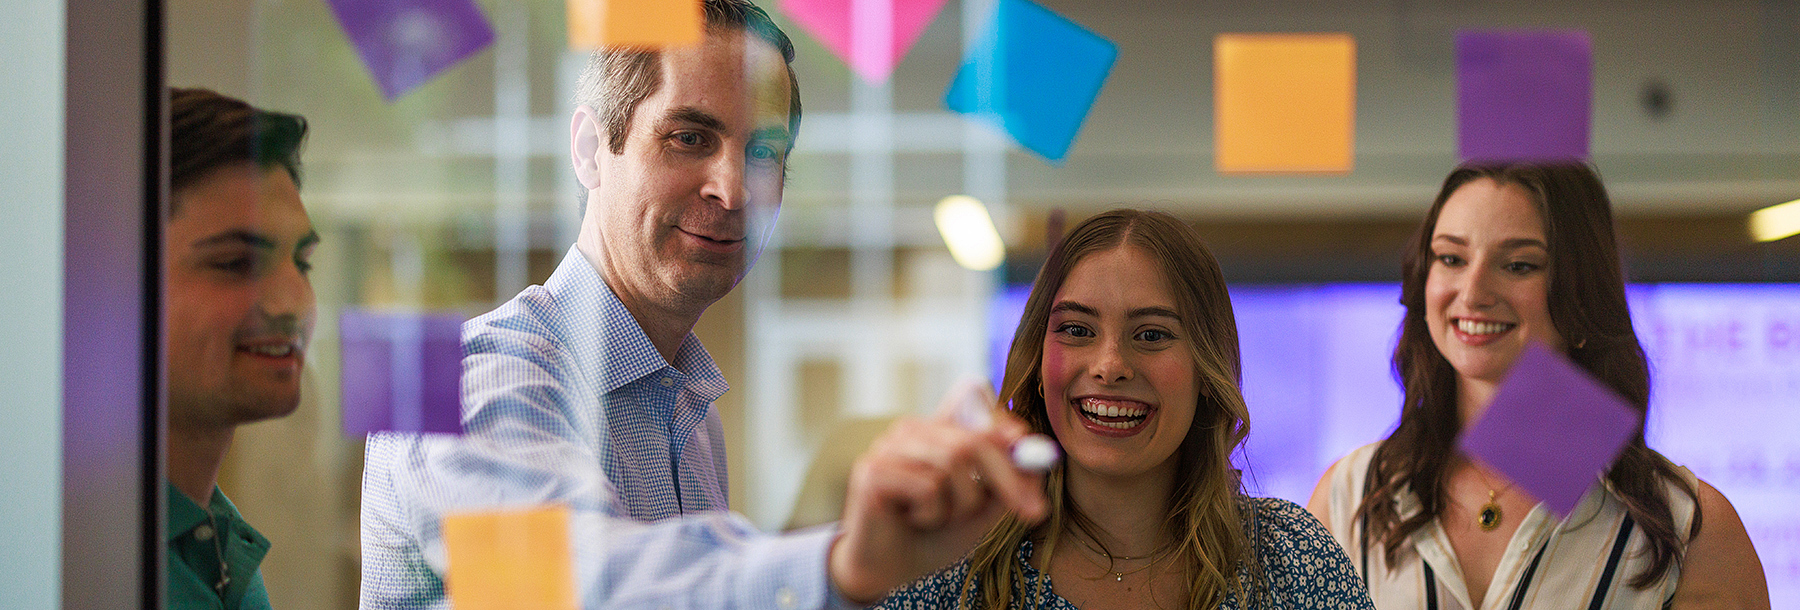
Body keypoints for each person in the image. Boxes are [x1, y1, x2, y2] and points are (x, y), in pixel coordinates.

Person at [358, 1, 1046, 608]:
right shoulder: (459, 380)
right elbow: (575, 589)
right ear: (591, 149)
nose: (734, 189)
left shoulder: (688, 412)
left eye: (765, 152)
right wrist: (842, 564)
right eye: (690, 137)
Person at [1306, 162, 1770, 609]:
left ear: (1582, 290)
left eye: (1519, 265)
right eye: (1451, 258)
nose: (1472, 293)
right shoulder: (1350, 496)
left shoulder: (1690, 528)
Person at [876, 210, 1374, 609]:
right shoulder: (953, 564)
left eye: (1152, 335)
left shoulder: (1290, 559)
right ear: (1035, 355)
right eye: (1076, 330)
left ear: (1207, 369)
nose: (1110, 365)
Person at [165, 87, 319, 610]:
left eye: (302, 263)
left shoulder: (220, 549)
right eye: (235, 264)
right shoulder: (74, 553)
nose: (292, 301)